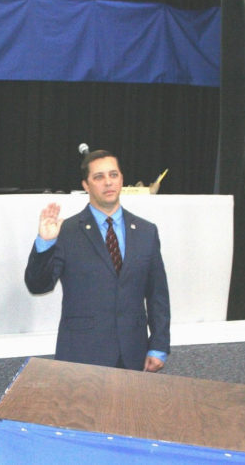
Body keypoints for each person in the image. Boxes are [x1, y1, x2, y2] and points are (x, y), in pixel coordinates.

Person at [24, 149, 170, 372]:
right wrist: (45, 243)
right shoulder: (68, 231)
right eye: (99, 177)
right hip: (82, 355)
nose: (108, 182)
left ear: (121, 179)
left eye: (113, 175)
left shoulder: (146, 231)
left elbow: (157, 293)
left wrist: (158, 345)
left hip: (134, 353)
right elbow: (38, 285)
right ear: (86, 185)